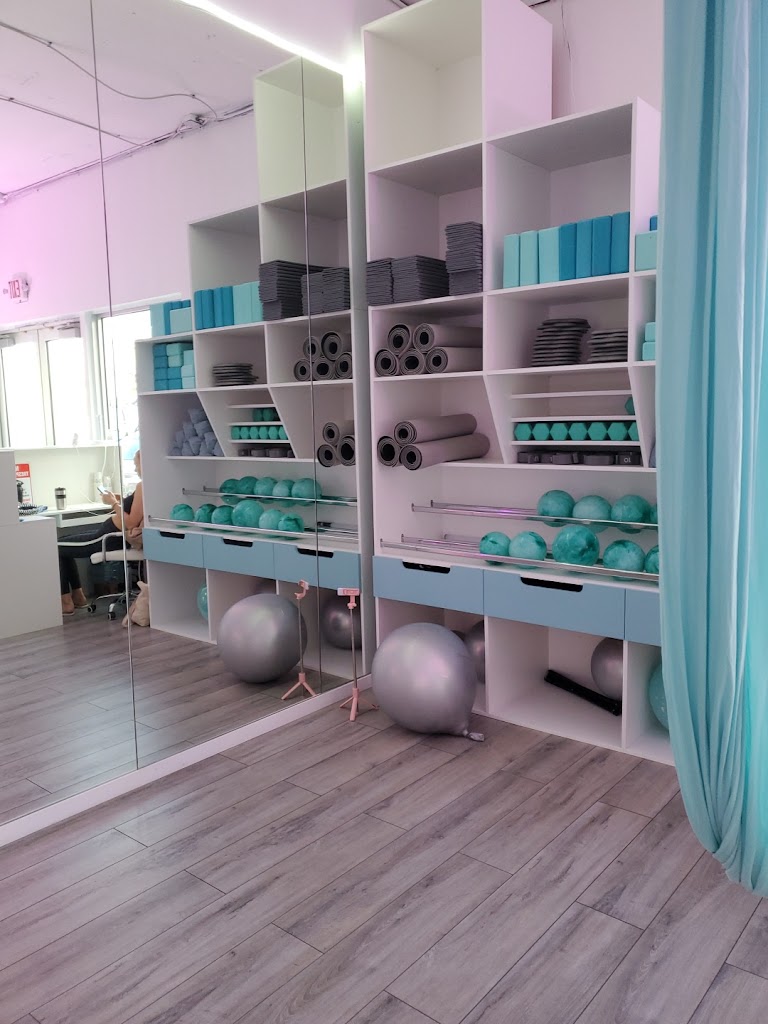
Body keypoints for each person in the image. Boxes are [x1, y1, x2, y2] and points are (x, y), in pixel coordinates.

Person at [58, 450, 144, 615]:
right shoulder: (152, 484)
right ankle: (78, 597)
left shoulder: (143, 485)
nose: (135, 469)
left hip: (109, 537)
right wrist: (118, 499)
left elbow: (131, 522)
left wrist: (113, 503)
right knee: (62, 542)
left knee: (57, 546)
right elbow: (135, 509)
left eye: (136, 465)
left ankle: (67, 602)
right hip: (109, 534)